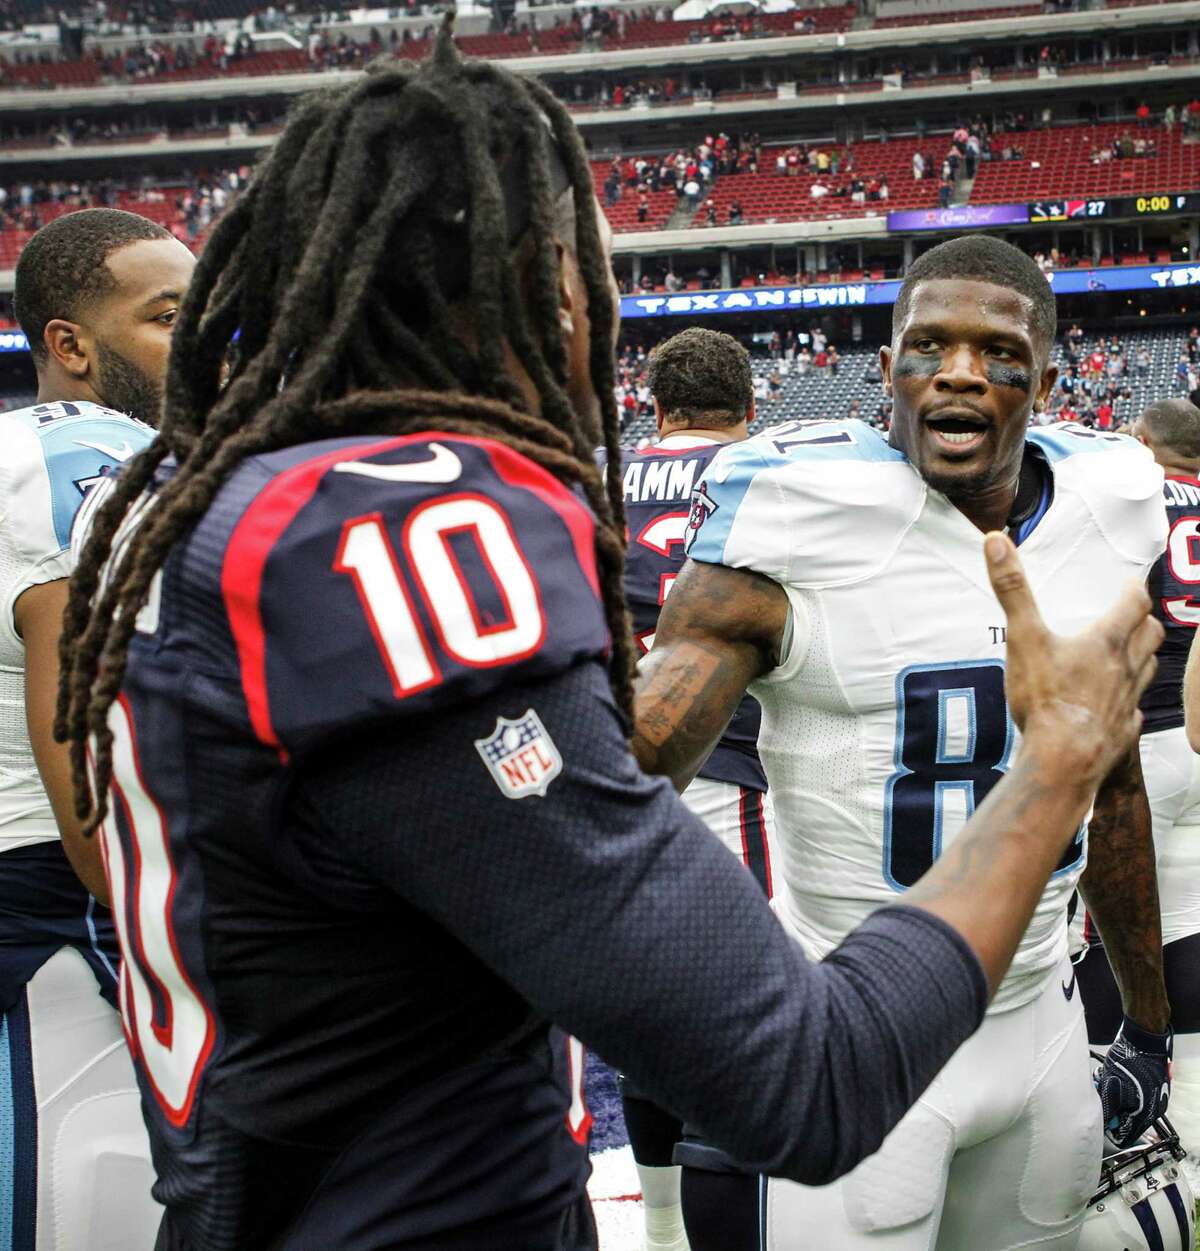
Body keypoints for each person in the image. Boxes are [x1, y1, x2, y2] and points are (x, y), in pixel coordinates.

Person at [60, 43, 1161, 1251]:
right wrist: (1058, 756)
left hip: (258, 1181)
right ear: (547, 287)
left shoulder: (196, 505)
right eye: (590, 268)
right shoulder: (405, 542)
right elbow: (804, 1081)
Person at [635, 234, 1172, 1251]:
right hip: (853, 1027)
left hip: (1041, 1020)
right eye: (929, 347)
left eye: (998, 352)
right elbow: (633, 778)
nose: (961, 373)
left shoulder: (1111, 506)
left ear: (1048, 382)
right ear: (886, 374)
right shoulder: (795, 521)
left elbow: (1115, 789)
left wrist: (1144, 1023)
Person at [4, 208, 194, 1249]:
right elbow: (83, 751)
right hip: (66, 921)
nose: (205, 340)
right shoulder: (96, 452)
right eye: (170, 317)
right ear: (69, 344)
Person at [601, 328, 777, 1251]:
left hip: (621, 759)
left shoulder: (603, 476)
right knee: (739, 1010)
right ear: (750, 405)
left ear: (655, 404)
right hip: (731, 760)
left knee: (646, 1007)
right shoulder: (771, 471)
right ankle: (729, 1224)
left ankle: (664, 1228)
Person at [1082, 398, 1200, 1190]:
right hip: (1197, 736)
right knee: (1190, 917)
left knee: (1109, 924)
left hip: (1142, 738)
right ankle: (1187, 1108)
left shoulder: (1126, 493)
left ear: (1142, 442)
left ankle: (1117, 1115)